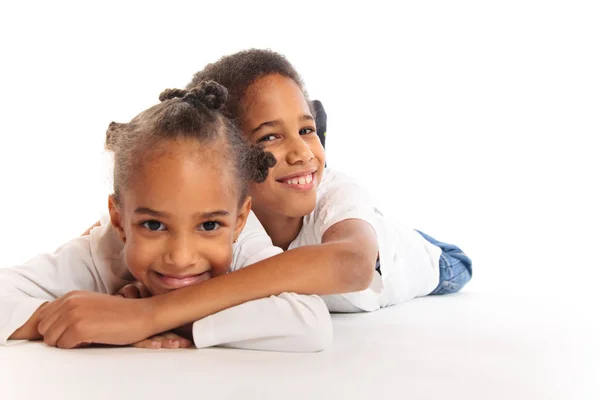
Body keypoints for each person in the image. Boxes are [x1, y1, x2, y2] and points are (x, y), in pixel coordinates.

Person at [0, 81, 332, 352]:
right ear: (119, 220)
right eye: (154, 225)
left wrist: (148, 316)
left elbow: (311, 324)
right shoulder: (102, 252)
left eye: (209, 225)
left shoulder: (245, 243)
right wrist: (79, 317)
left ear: (240, 220)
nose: (181, 258)